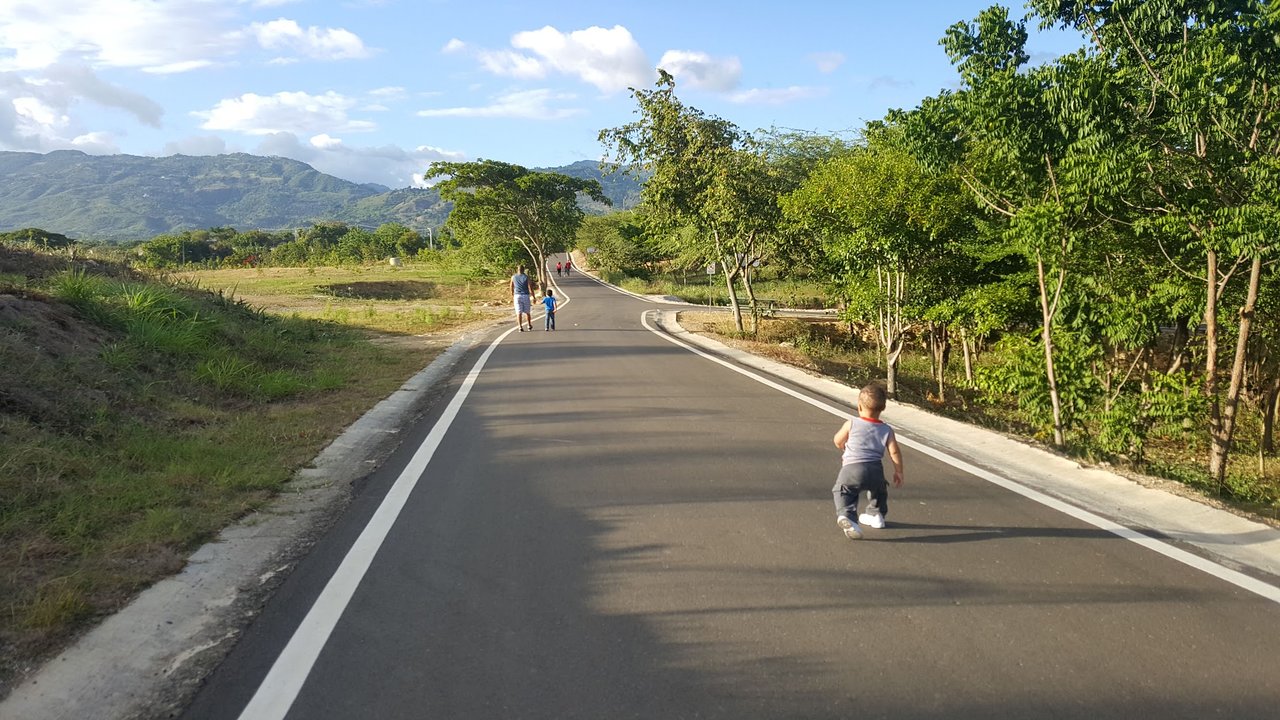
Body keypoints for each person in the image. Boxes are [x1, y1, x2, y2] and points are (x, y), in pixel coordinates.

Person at [830, 383, 904, 540]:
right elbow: (894, 451)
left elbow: (837, 440)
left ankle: (848, 517)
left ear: (859, 406)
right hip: (875, 470)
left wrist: (843, 446)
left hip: (851, 469)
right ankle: (876, 515)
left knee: (843, 490)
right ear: (882, 408)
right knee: (879, 491)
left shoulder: (851, 423)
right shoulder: (886, 429)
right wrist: (898, 471)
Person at [510, 265, 534, 332]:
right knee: (527, 312)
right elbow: (530, 287)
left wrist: (512, 294)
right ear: (523, 270)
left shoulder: (513, 277)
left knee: (518, 312)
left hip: (517, 295)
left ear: (517, 270)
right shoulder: (526, 277)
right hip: (525, 295)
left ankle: (520, 326)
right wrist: (533, 296)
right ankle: (529, 325)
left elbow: (511, 286)